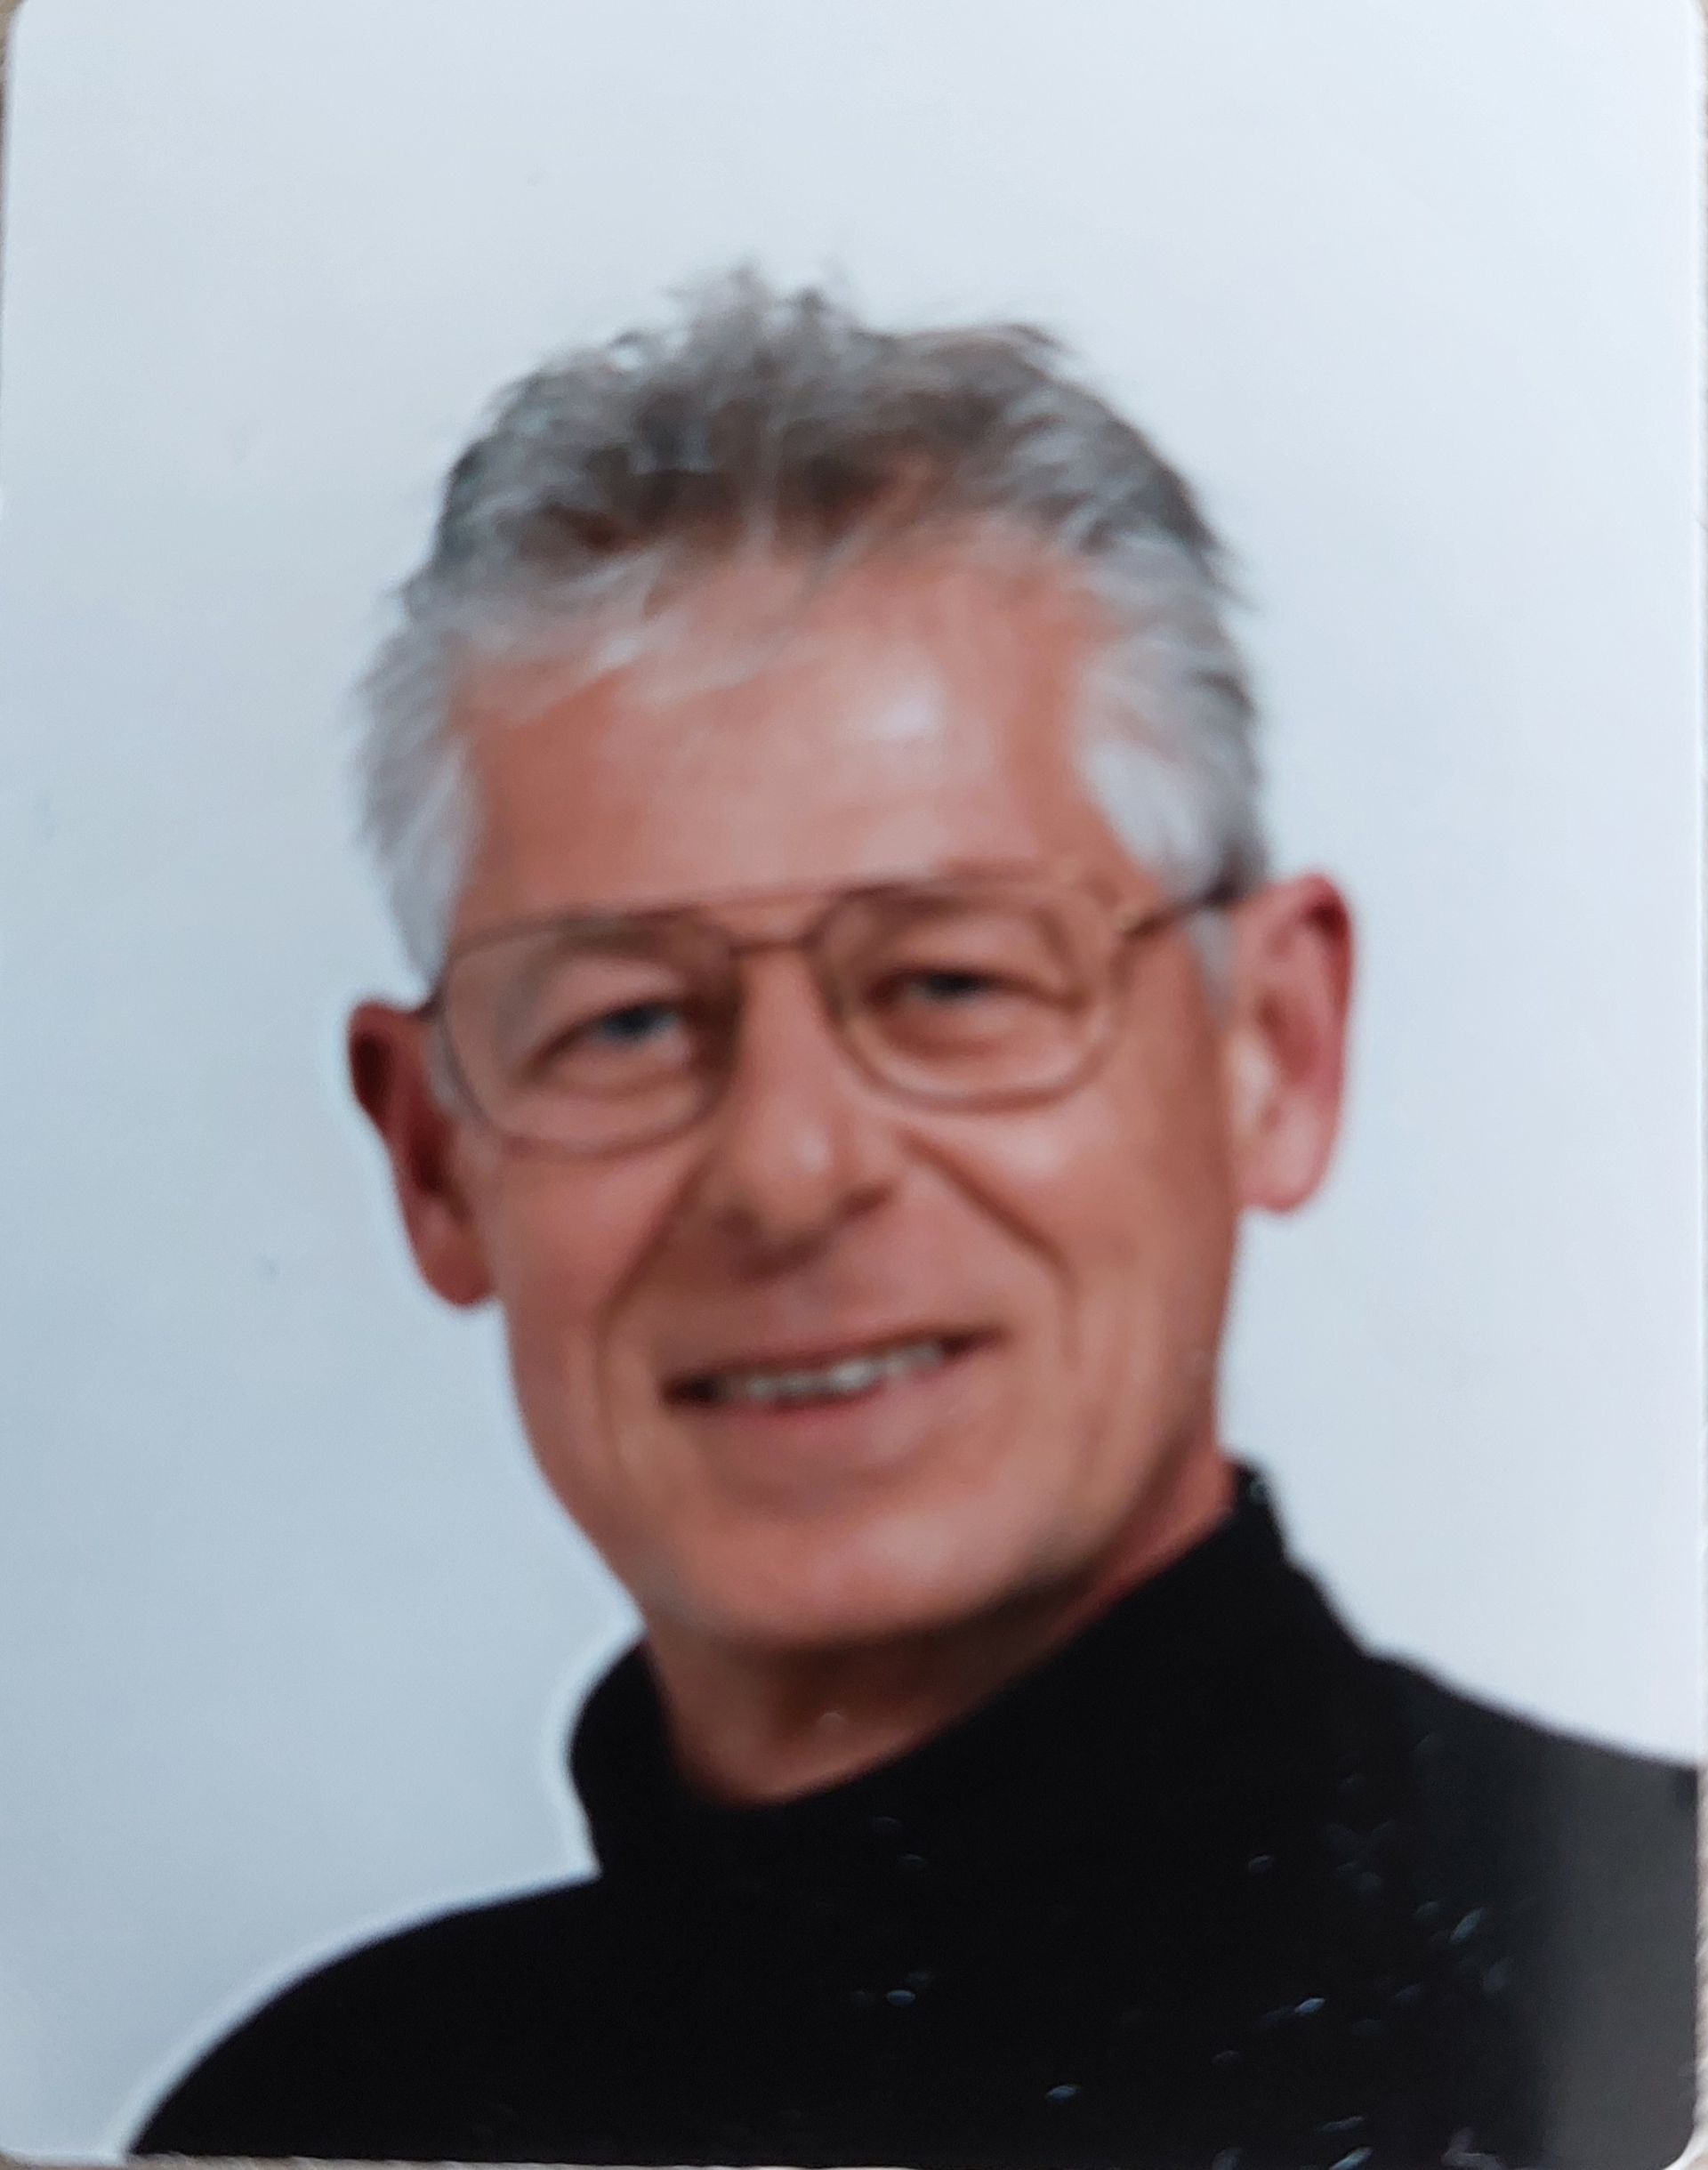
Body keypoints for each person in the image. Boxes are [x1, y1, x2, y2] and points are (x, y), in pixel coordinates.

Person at [134, 275, 1696, 2170]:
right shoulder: (314, 2127)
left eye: (952, 981)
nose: (789, 1171)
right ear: (435, 1159)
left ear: (1272, 1050)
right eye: (624, 1020)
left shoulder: (1659, 2006)